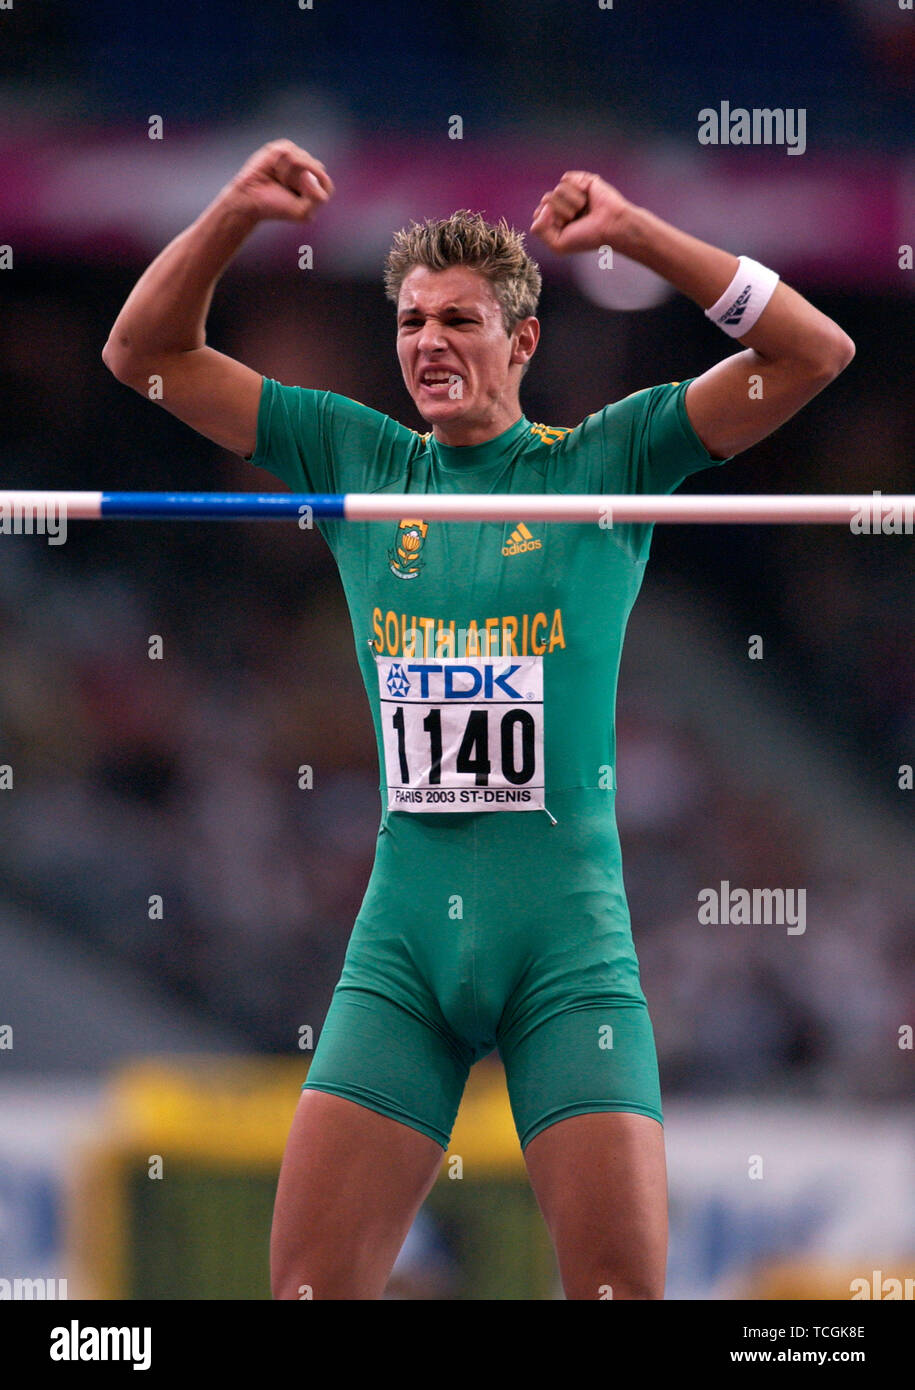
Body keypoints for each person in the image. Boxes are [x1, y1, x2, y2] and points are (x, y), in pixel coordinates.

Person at [102, 139, 855, 1300]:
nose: (428, 344)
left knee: (618, 1293)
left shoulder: (608, 460)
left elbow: (812, 351)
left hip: (566, 952)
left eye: (459, 320)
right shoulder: (353, 454)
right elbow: (144, 355)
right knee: (305, 1289)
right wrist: (233, 214)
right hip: (404, 946)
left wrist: (643, 236)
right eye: (409, 321)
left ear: (524, 340)